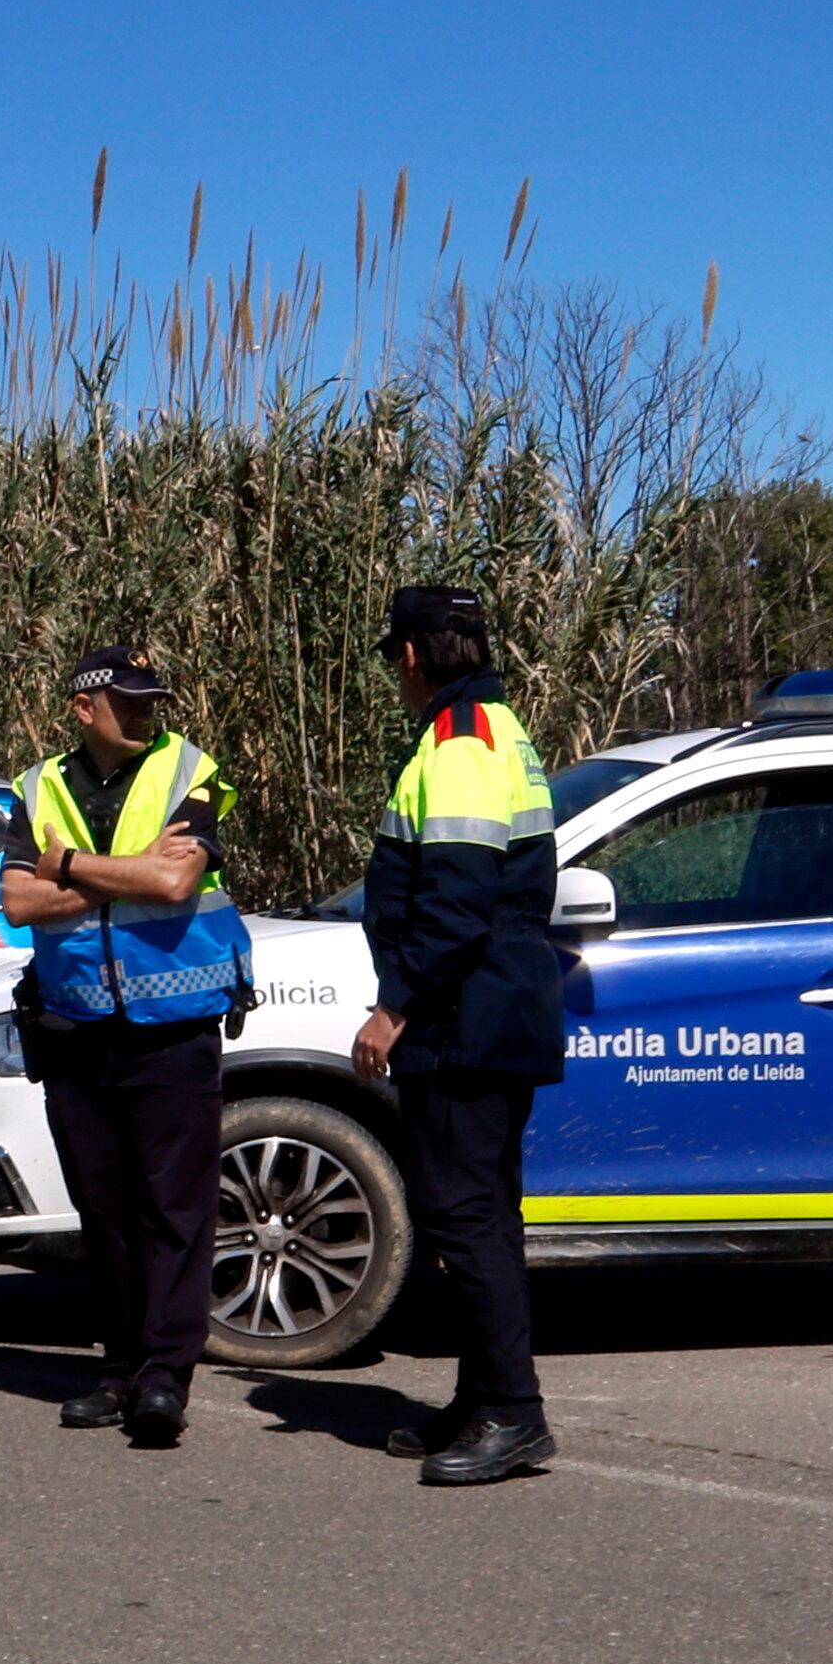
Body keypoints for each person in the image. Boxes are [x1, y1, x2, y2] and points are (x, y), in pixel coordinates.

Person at [0, 645, 252, 1445]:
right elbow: (16, 901)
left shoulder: (189, 770)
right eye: (128, 700)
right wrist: (126, 868)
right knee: (102, 1207)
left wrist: (68, 863)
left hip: (172, 1026)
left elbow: (175, 883)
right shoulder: (36, 787)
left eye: (152, 698)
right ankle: (118, 1365)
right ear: (83, 707)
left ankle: (164, 1378)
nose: (145, 711)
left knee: (174, 1207)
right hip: (75, 1025)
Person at [353, 584, 566, 1485]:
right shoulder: (492, 727)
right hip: (486, 1007)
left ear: (409, 654)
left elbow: (457, 903)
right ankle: (483, 1398)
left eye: (393, 658)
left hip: (463, 1015)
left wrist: (393, 1006)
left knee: (463, 1216)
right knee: (483, 1214)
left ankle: (513, 1414)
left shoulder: (462, 742)